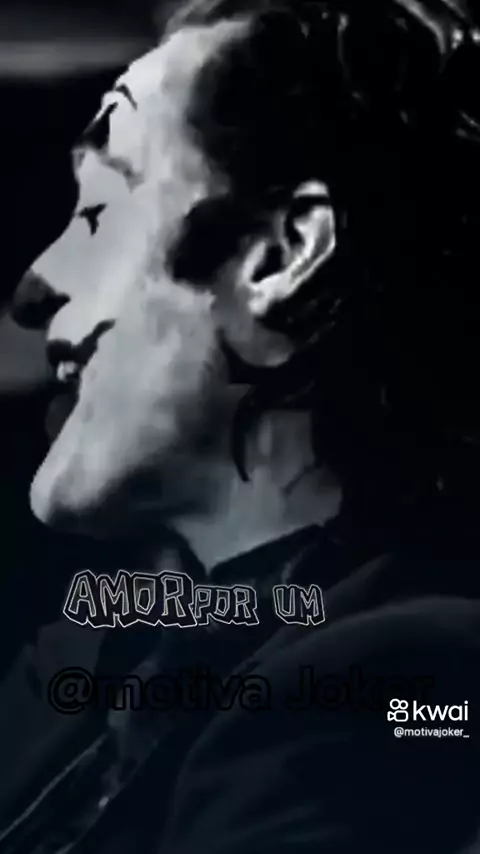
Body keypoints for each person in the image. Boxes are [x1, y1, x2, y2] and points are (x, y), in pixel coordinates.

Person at [4, 0, 480, 851]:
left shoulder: (394, 680)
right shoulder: (95, 649)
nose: (34, 285)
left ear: (281, 255)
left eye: (99, 210)